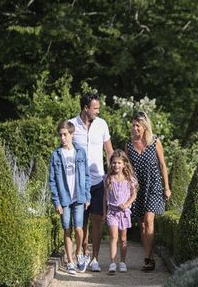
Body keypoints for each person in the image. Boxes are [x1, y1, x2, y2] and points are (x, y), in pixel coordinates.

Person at [69, 92, 114, 272]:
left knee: (98, 219)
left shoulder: (102, 124)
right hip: (78, 183)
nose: (98, 111)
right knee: (81, 222)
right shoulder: (71, 125)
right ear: (85, 108)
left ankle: (94, 259)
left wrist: (113, 175)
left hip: (97, 181)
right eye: (95, 108)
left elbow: (109, 151)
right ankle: (82, 254)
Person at [125, 111, 172, 271]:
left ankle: (148, 258)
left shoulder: (155, 142)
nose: (135, 128)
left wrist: (166, 187)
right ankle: (149, 257)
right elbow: (128, 169)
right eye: (133, 125)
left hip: (154, 185)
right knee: (142, 224)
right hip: (138, 187)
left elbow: (162, 165)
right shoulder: (129, 145)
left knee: (149, 220)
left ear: (144, 126)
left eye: (137, 125)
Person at [49, 121, 91, 274]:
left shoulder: (80, 153)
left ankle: (79, 254)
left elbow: (87, 176)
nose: (62, 138)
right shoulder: (56, 155)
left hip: (79, 197)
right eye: (60, 135)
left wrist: (87, 196)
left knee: (79, 229)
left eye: (65, 134)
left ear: (72, 135)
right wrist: (56, 201)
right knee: (67, 229)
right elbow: (52, 180)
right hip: (64, 199)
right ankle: (70, 261)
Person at [103, 149, 138, 274]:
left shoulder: (129, 179)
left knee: (123, 238)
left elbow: (134, 195)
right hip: (112, 212)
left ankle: (122, 262)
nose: (116, 165)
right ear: (111, 163)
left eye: (119, 163)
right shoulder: (108, 178)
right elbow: (105, 197)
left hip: (124, 213)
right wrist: (104, 212)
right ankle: (112, 263)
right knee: (113, 237)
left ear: (124, 164)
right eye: (114, 163)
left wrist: (127, 204)